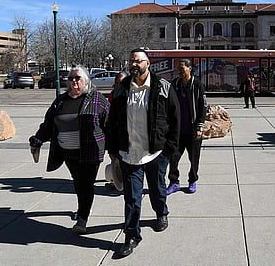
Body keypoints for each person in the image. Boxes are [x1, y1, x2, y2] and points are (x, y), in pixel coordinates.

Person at [107, 48, 180, 258]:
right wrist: (114, 150)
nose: (134, 64)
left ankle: (161, 213)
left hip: (156, 152)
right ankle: (131, 236)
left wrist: (169, 149)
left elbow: (176, 119)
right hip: (129, 153)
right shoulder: (121, 89)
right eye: (131, 61)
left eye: (138, 61)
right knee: (131, 197)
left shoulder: (163, 87)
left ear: (148, 63)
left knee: (157, 188)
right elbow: (112, 122)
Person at [29, 65, 110, 234]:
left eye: (77, 78)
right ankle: (82, 209)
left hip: (90, 151)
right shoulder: (60, 100)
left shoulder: (97, 99)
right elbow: (48, 123)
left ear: (86, 81)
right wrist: (37, 141)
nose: (74, 81)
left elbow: (109, 125)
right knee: (78, 182)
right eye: (71, 78)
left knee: (86, 184)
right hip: (67, 152)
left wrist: (116, 150)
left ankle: (82, 219)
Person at [167, 59, 207, 195]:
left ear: (190, 69)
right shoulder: (175, 84)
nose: (180, 71)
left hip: (193, 130)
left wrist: (200, 126)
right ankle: (174, 182)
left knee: (194, 158)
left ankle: (192, 180)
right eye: (179, 68)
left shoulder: (197, 85)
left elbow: (203, 107)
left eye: (182, 68)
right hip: (177, 131)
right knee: (173, 158)